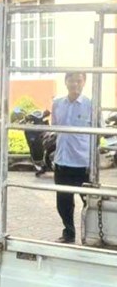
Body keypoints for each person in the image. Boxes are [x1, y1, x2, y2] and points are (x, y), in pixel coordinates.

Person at [51, 72, 92, 244]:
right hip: (62, 162)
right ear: (65, 82)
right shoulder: (57, 104)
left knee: (90, 204)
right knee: (64, 203)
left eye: (78, 80)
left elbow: (100, 132)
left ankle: (90, 236)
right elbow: (54, 126)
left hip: (83, 164)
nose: (75, 84)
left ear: (84, 83)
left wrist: (93, 161)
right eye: (71, 80)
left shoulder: (91, 105)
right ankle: (69, 233)